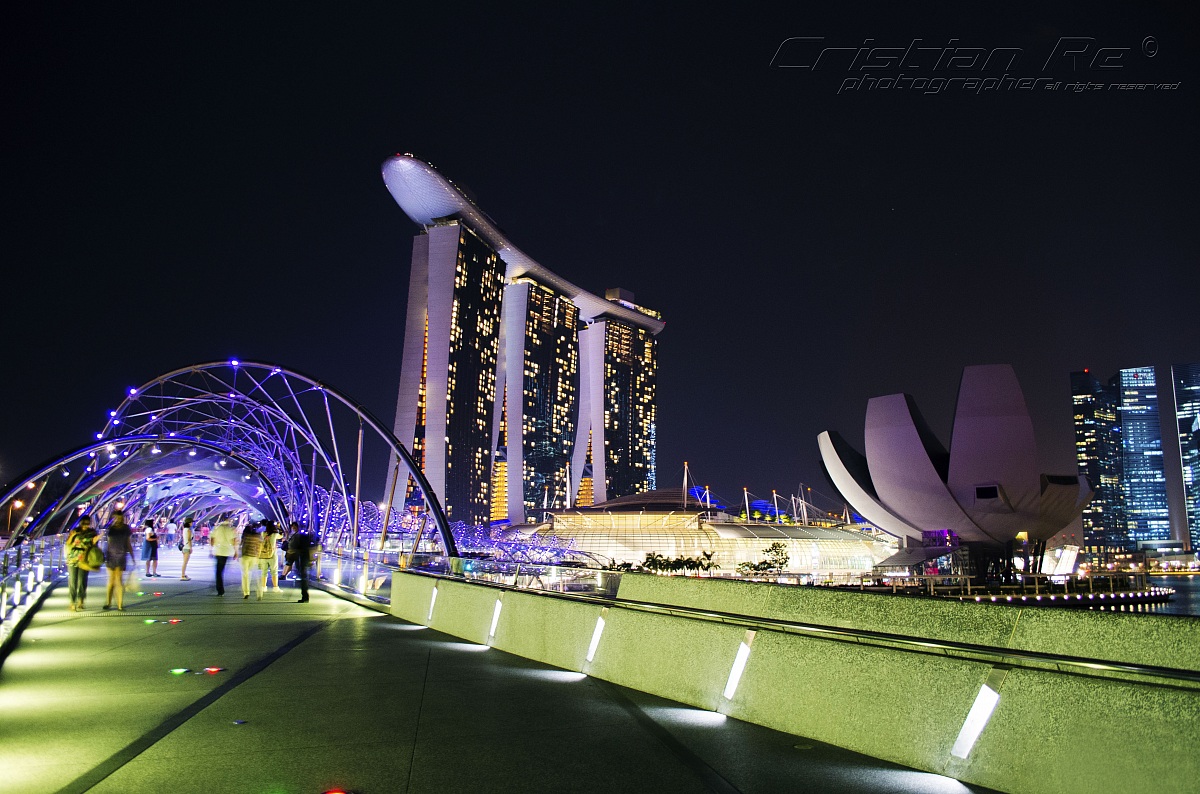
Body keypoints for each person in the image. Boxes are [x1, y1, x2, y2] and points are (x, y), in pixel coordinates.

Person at [65, 514, 99, 611]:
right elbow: (68, 543)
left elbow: (94, 547)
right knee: (73, 581)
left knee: (82, 581)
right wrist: (73, 535)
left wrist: (95, 541)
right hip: (73, 559)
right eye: (84, 524)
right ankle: (72, 602)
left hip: (85, 559)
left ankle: (81, 600)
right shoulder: (75, 531)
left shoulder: (92, 533)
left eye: (87, 524)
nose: (85, 526)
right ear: (80, 523)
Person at [102, 509, 134, 611]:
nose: (118, 520)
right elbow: (108, 543)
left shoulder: (125, 528)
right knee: (111, 581)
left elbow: (128, 543)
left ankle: (120, 604)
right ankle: (108, 602)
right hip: (111, 556)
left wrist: (132, 556)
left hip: (120, 556)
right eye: (116, 518)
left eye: (119, 518)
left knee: (119, 581)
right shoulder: (110, 528)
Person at [210, 519, 237, 596]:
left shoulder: (216, 528)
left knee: (218, 571)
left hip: (218, 551)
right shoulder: (230, 529)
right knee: (221, 570)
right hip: (227, 551)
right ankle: (219, 587)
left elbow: (212, 539)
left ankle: (220, 589)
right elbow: (234, 540)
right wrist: (236, 552)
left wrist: (211, 550)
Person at [238, 522, 265, 600]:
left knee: (245, 575)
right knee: (256, 575)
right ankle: (260, 593)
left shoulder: (246, 536)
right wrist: (258, 556)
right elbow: (260, 548)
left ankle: (246, 592)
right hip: (254, 557)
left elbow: (242, 546)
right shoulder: (259, 537)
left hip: (245, 557)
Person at [287, 523, 313, 603]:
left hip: (301, 559)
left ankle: (305, 596)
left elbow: (291, 546)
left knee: (303, 577)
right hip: (305, 558)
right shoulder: (306, 536)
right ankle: (305, 595)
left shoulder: (296, 536)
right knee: (304, 576)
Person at [259, 520, 282, 592]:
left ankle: (263, 587)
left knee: (264, 571)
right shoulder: (274, 534)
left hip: (263, 554)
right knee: (274, 571)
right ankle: (275, 587)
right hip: (272, 555)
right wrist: (278, 527)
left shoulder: (262, 533)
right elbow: (281, 536)